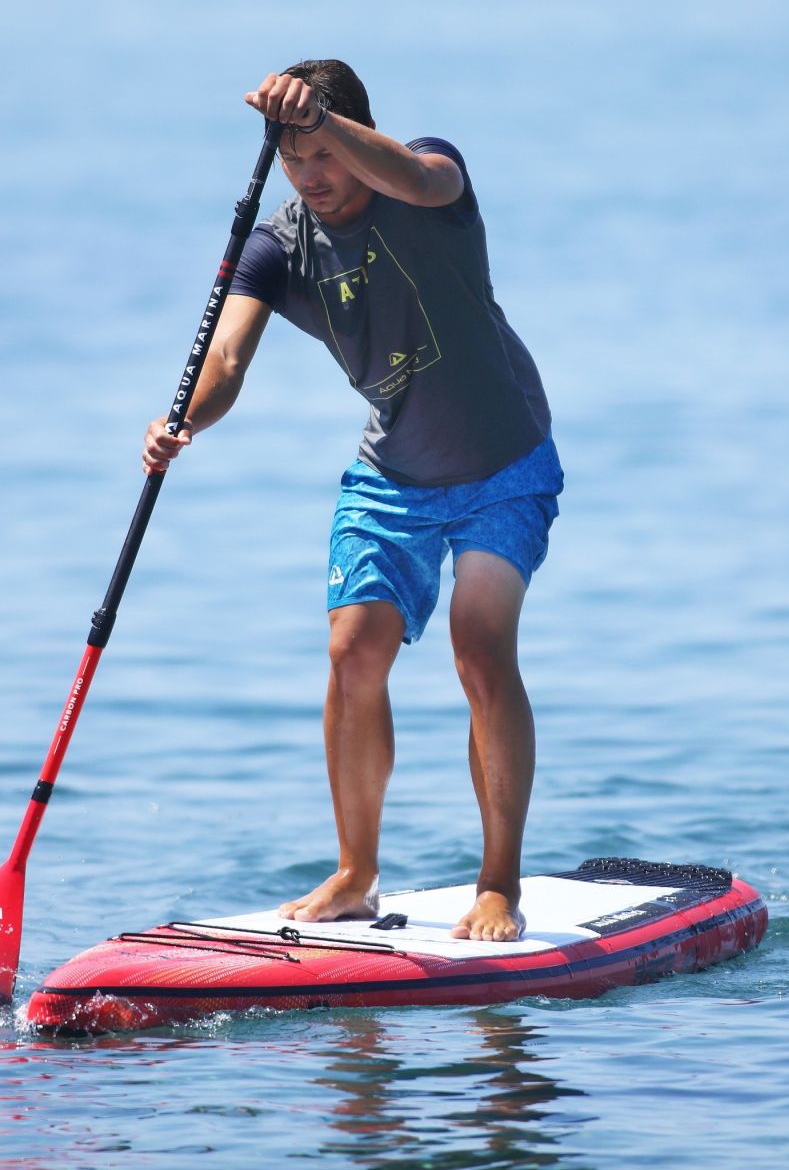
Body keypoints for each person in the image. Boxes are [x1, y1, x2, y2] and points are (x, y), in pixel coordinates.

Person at [143, 60, 561, 941]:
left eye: (324, 151)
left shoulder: (427, 176)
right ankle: (355, 873)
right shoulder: (276, 245)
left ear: (356, 132)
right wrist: (185, 421)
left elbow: (413, 174)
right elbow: (223, 364)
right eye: (292, 159)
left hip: (505, 461)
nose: (311, 175)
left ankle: (498, 885)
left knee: (479, 650)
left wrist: (327, 120)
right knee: (351, 651)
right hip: (393, 474)